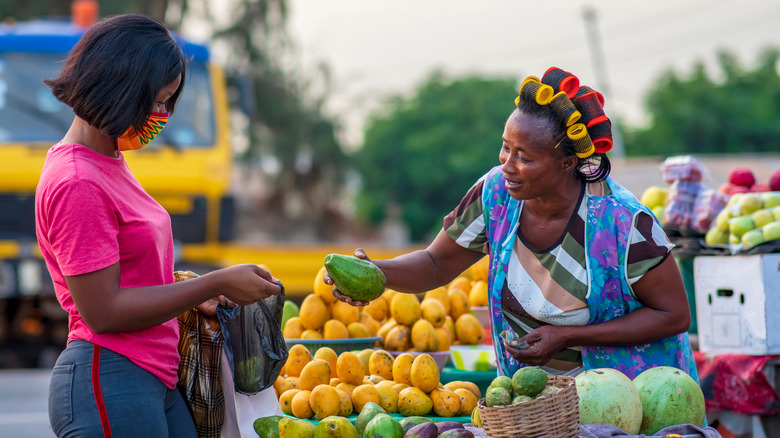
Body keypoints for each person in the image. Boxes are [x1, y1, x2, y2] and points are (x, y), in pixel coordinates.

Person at [329, 67, 698, 382]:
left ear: (568, 163)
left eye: (524, 156)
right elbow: (436, 263)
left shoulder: (622, 222)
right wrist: (377, 274)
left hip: (630, 405)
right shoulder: (496, 194)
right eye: (506, 147)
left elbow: (674, 314)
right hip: (539, 410)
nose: (507, 164)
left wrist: (569, 337)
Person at [35, 14, 281, 437]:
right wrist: (210, 284)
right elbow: (104, 312)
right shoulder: (78, 181)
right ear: (119, 86)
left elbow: (128, 272)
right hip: (110, 378)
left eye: (168, 102)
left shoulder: (109, 161)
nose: (161, 114)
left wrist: (193, 292)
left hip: (154, 375)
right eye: (158, 100)